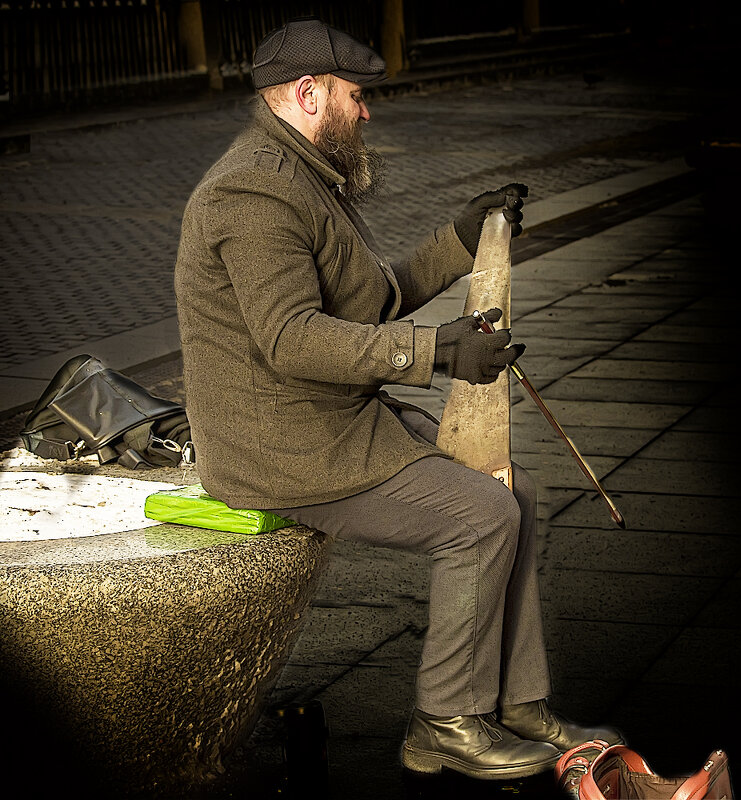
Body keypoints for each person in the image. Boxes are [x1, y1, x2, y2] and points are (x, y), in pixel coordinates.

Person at [174, 17, 622, 782]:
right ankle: (444, 724)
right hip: (283, 450)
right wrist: (438, 351)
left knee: (510, 488)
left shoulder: (302, 171)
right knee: (481, 517)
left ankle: (516, 702)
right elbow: (291, 340)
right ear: (309, 94)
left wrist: (460, 237)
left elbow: (371, 300)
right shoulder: (254, 191)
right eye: (355, 96)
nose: (366, 111)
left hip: (330, 423)